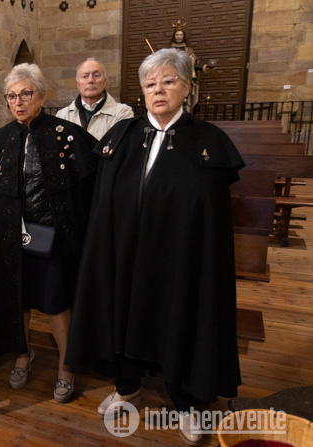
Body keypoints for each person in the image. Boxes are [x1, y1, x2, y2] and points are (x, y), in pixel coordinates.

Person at [65, 48, 243, 445]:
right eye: (150, 84)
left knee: (182, 318)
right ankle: (127, 387)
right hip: (126, 253)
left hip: (181, 258)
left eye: (168, 81)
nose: (158, 90)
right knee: (125, 313)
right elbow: (104, 204)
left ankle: (188, 402)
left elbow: (210, 217)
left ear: (186, 88)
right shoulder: (123, 136)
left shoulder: (208, 141)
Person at [0, 63, 97, 403]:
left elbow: (89, 188)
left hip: (53, 238)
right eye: (11, 96)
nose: (18, 102)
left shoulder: (66, 134)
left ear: (41, 96)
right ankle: (22, 354)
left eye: (26, 94)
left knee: (56, 302)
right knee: (18, 299)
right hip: (12, 239)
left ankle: (66, 366)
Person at [56, 58, 133, 140]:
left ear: (105, 82)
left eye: (96, 75)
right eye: (85, 76)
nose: (91, 80)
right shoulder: (63, 116)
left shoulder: (122, 113)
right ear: (77, 84)